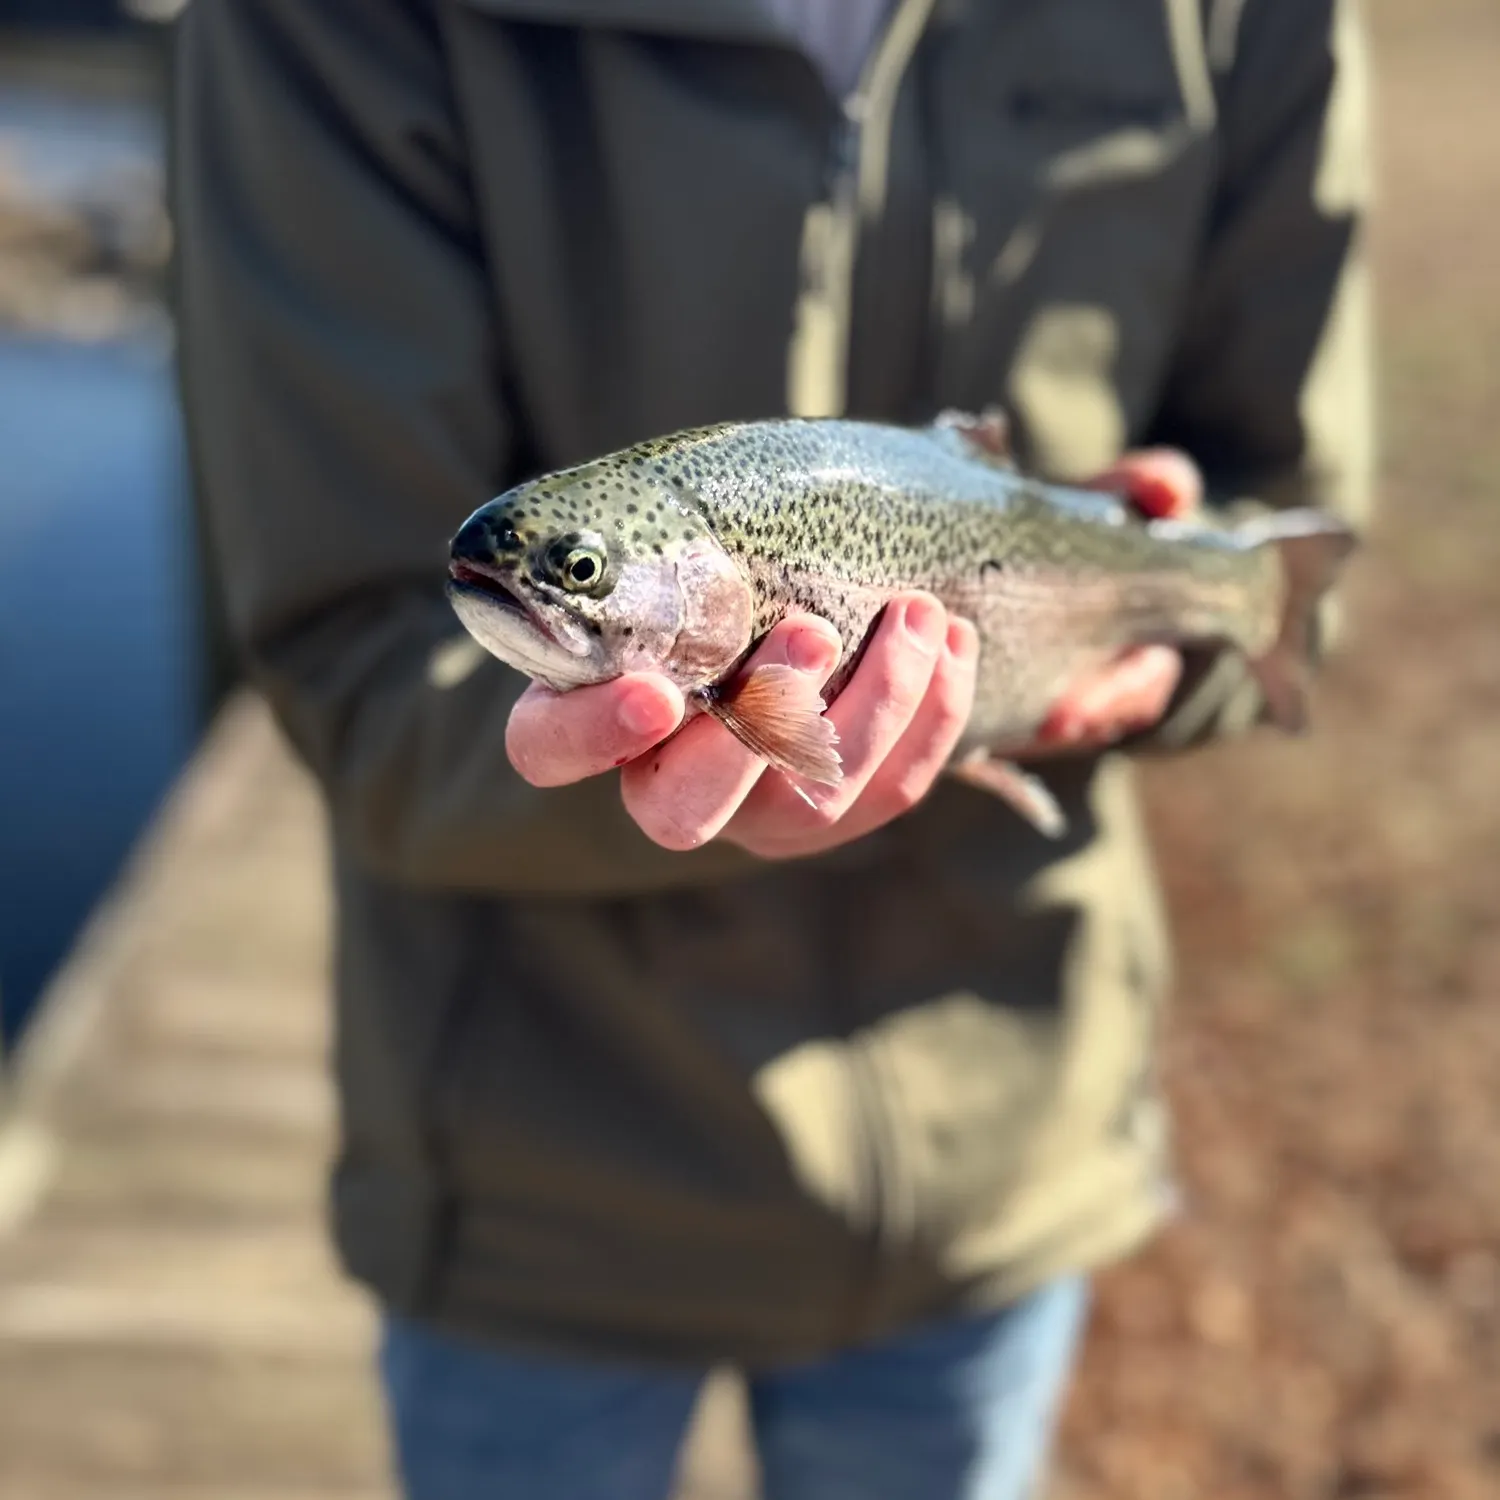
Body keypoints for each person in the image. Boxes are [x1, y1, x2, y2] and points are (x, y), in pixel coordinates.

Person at [171, 2, 1372, 1496]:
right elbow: (353, 652)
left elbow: (1292, 522)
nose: (548, 594)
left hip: (996, 1153)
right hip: (539, 1187)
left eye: (587, 575)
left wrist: (1172, 656)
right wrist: (655, 784)